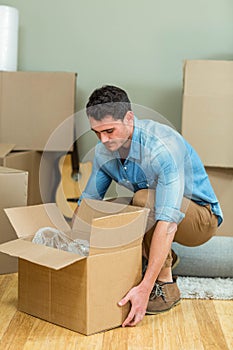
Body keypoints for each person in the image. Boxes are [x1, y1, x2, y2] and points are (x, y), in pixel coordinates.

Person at [73, 85, 223, 327]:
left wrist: (144, 288)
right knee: (110, 210)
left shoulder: (162, 148)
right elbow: (89, 204)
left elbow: (167, 221)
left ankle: (165, 286)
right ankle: (154, 260)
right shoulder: (104, 152)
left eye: (110, 131)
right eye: (96, 133)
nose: (104, 140)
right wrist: (68, 248)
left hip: (201, 219)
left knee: (143, 199)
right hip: (160, 211)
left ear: (129, 118)